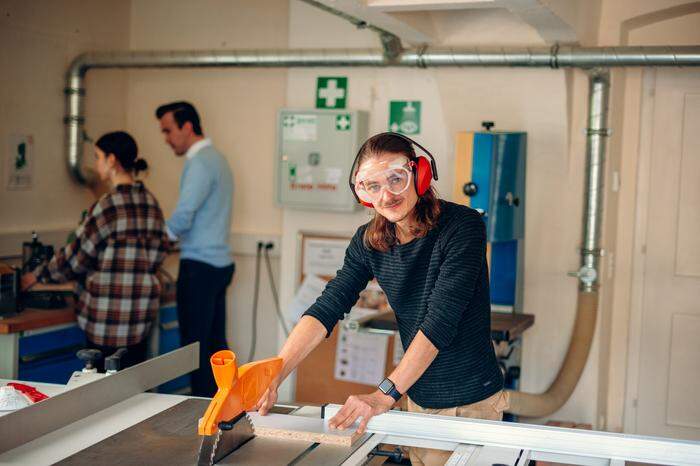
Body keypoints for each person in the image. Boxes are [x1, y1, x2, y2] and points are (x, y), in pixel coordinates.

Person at [256, 132, 508, 466]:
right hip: (417, 396)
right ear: (361, 193)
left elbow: (440, 323)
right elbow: (327, 307)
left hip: (470, 403)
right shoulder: (368, 242)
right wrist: (275, 373)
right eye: (372, 186)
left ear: (419, 175)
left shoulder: (462, 227)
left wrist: (383, 394)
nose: (386, 195)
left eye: (396, 179)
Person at [21, 131, 169, 370]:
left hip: (106, 321)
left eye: (98, 156)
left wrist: (36, 276)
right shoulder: (151, 203)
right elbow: (160, 253)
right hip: (139, 320)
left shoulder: (107, 206)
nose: (96, 163)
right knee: (132, 395)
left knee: (101, 398)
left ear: (112, 161)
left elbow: (73, 260)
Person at [155, 101, 234, 397]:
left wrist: (155, 238)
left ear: (187, 127)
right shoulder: (218, 159)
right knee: (215, 346)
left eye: (168, 130)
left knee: (196, 350)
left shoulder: (200, 162)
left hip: (200, 267)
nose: (165, 138)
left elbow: (183, 216)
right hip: (220, 264)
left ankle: (203, 415)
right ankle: (222, 409)